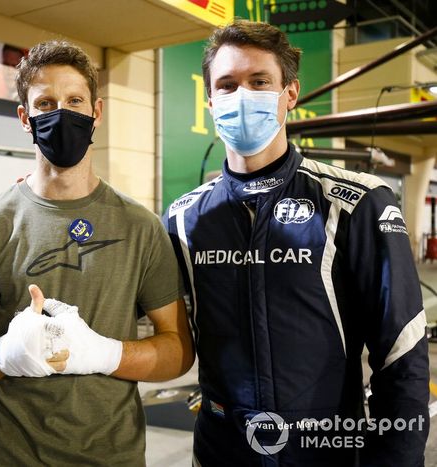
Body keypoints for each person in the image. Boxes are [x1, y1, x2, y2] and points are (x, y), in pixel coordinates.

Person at [164, 20, 429, 466]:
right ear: (210, 101)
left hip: (325, 448)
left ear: (290, 93)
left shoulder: (356, 202)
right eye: (226, 85)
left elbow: (401, 352)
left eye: (259, 81)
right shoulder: (184, 218)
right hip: (222, 448)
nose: (241, 96)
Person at [0, 40, 194, 466]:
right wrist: (8, 351)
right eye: (45, 102)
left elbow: (178, 352)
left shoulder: (140, 226)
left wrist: (104, 352)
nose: (61, 112)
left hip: (114, 456)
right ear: (25, 117)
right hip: (11, 456)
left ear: (96, 111)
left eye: (74, 100)